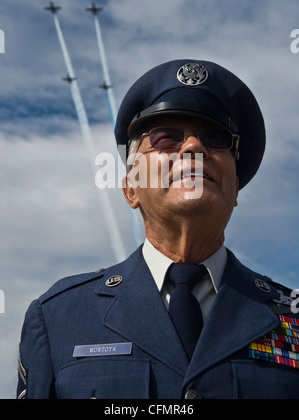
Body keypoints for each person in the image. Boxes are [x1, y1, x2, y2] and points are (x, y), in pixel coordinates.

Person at [17, 59, 299, 399]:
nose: (194, 148)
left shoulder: (290, 314)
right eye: (166, 138)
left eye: (215, 138)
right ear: (131, 188)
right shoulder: (57, 316)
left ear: (235, 188)